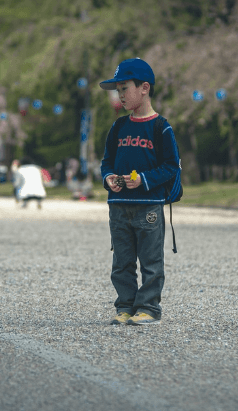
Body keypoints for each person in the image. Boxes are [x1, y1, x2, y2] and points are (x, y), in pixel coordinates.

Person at [99, 58, 180, 326]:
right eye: (118, 90)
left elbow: (171, 166)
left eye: (124, 89)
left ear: (144, 88)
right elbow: (107, 161)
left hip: (149, 207)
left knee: (150, 262)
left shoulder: (161, 127)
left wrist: (144, 179)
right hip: (118, 206)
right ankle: (125, 306)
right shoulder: (119, 126)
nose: (120, 95)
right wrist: (108, 177)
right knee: (121, 264)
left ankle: (148, 308)